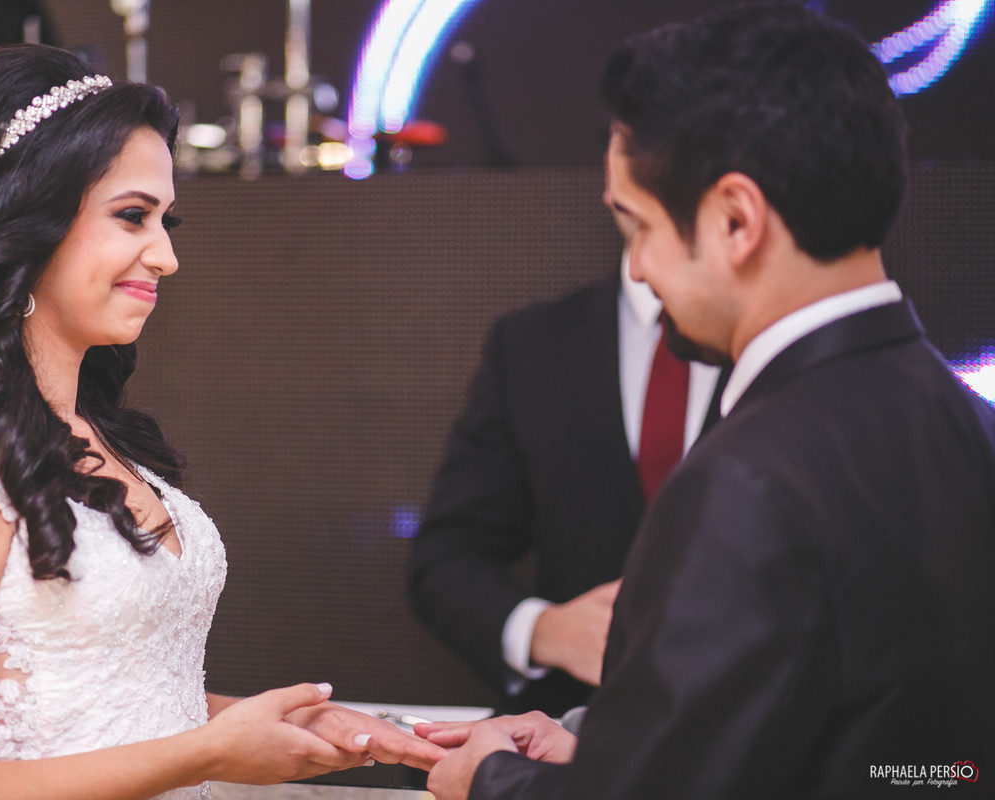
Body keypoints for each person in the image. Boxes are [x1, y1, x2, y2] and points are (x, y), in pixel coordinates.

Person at [0, 44, 442, 800]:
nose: (165, 256)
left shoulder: (99, 435)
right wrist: (206, 753)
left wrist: (288, 726)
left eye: (166, 221)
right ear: (26, 224)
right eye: (133, 216)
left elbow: (109, 706)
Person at [416, 4, 995, 798]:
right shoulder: (972, 428)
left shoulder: (746, 480)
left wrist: (490, 779)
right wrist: (604, 743)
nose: (639, 270)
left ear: (734, 220)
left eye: (639, 226)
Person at [408, 236, 723, 716]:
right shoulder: (531, 346)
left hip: (758, 724)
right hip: (572, 726)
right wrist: (542, 630)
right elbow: (444, 557)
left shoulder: (781, 341)